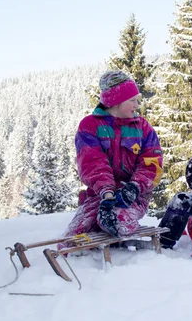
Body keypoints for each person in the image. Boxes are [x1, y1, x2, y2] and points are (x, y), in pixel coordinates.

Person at [59, 71, 163, 246]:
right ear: (116, 100)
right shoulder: (89, 126)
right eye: (132, 100)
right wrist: (107, 195)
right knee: (73, 236)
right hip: (100, 195)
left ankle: (117, 240)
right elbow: (92, 163)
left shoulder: (143, 127)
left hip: (133, 195)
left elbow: (153, 164)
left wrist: (134, 188)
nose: (137, 105)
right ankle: (96, 233)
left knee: (118, 222)